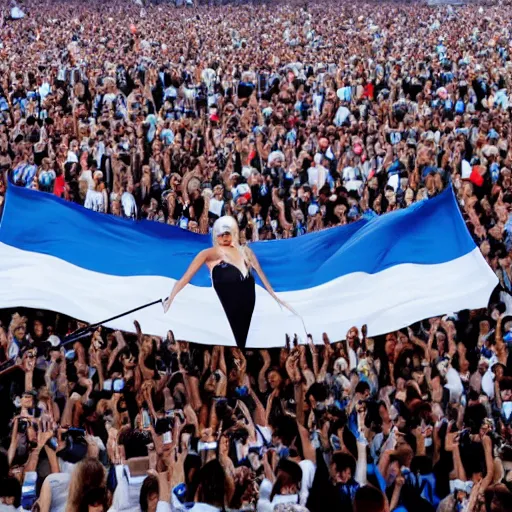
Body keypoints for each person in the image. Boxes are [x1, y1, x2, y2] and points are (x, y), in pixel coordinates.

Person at [163, 215, 294, 349]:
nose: (225, 237)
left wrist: (278, 299)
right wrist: (171, 297)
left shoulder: (246, 251)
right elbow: (186, 277)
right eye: (221, 234)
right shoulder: (208, 253)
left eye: (227, 233)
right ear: (215, 236)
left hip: (248, 302)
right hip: (224, 303)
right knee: (233, 342)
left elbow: (262, 276)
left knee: (245, 339)